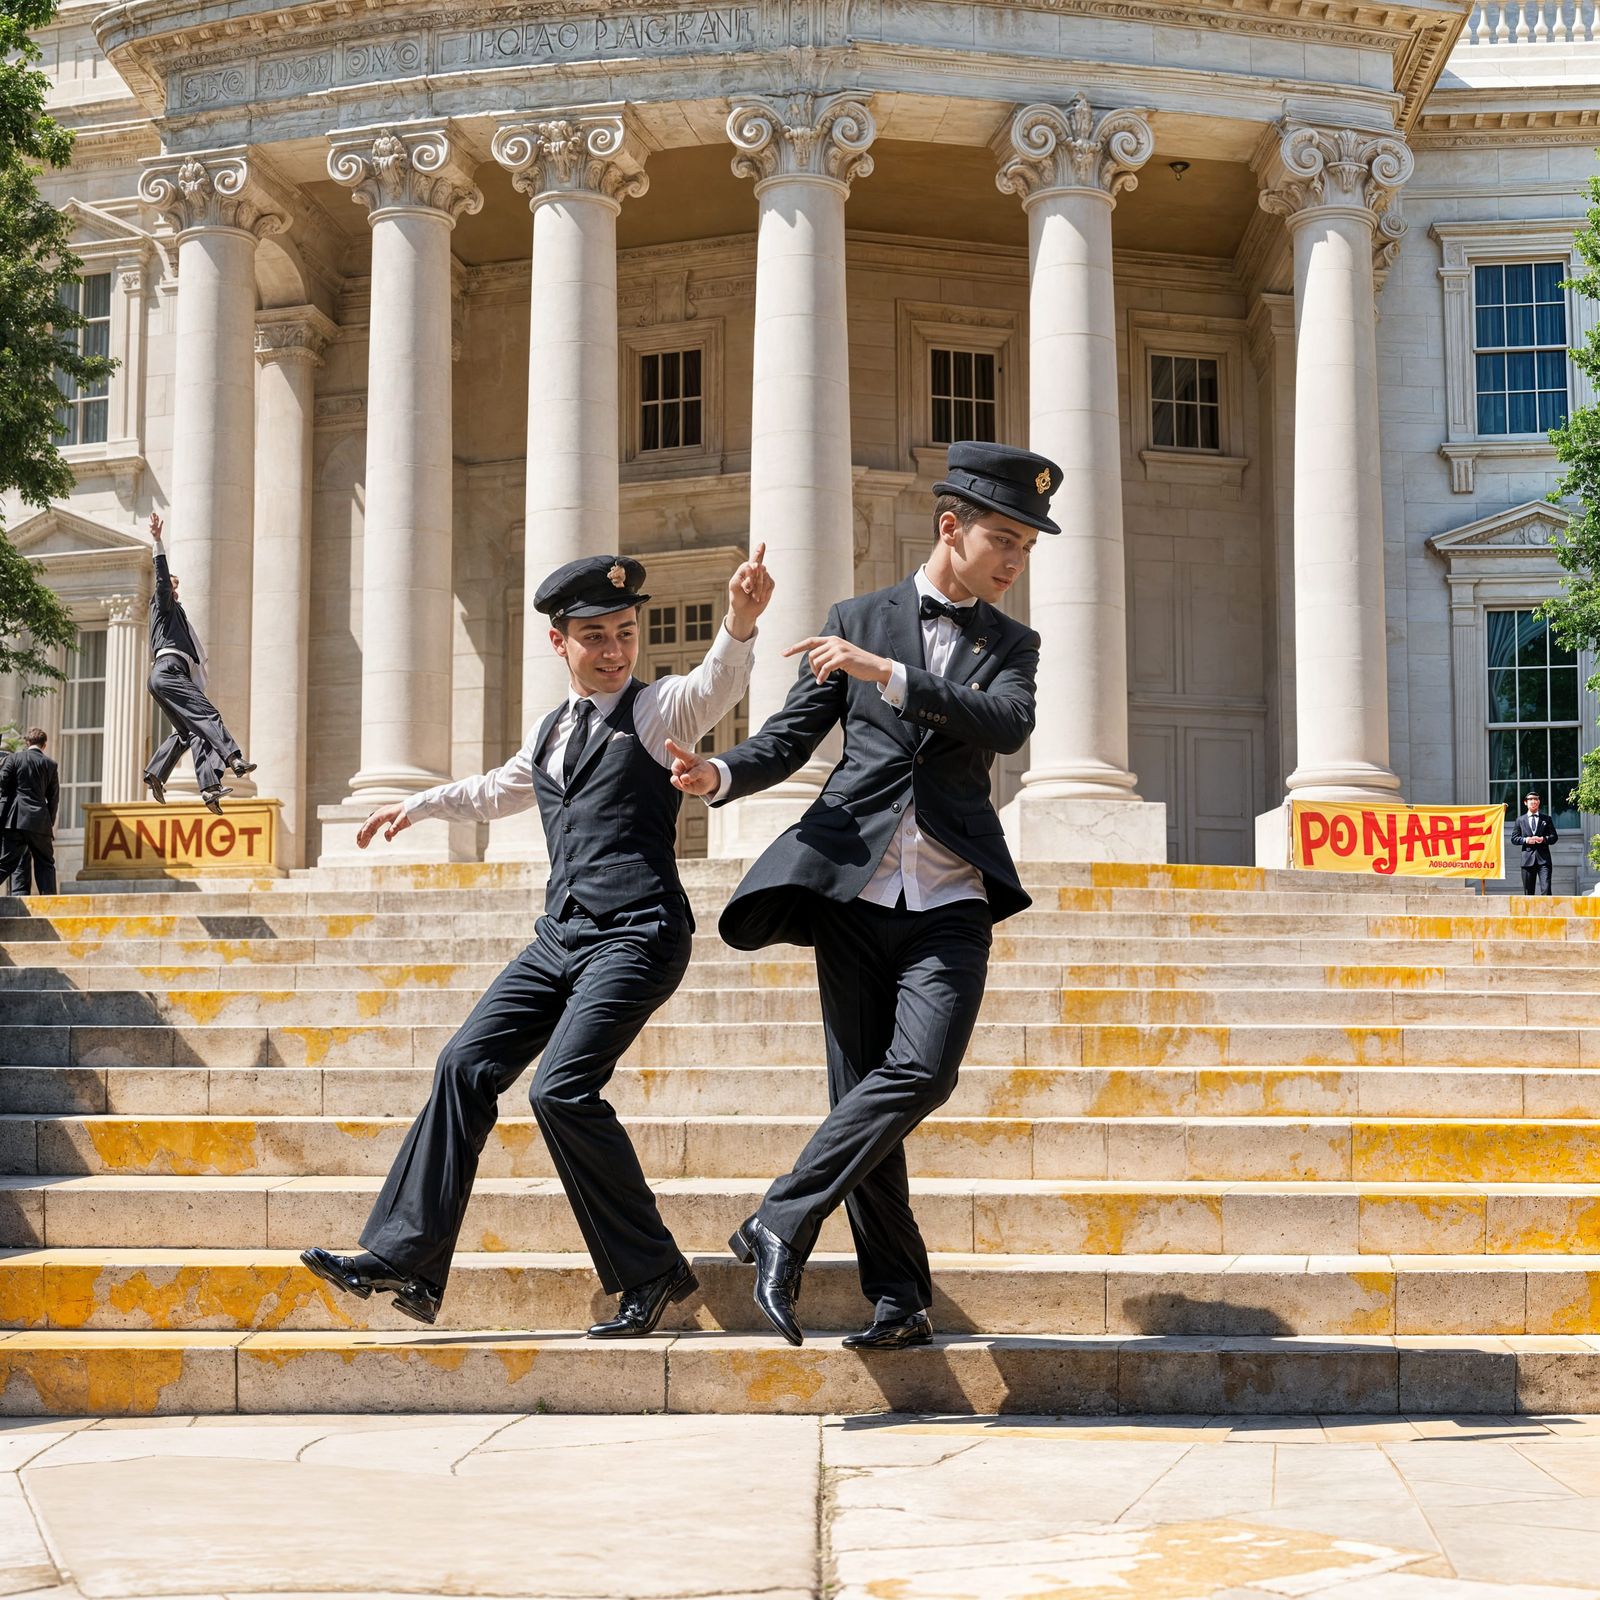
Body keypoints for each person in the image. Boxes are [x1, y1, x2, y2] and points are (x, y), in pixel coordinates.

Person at [302, 546, 774, 1333]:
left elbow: (715, 684)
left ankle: (651, 1273)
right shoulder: (552, 730)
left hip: (639, 933)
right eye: (595, 636)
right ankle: (406, 1257)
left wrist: (741, 623)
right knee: (464, 1064)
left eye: (625, 632)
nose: (615, 649)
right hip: (562, 937)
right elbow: (495, 791)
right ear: (561, 642)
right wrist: (416, 807)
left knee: (560, 1090)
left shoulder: (658, 712)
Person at [669, 441, 1057, 1349]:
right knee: (861, 1097)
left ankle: (780, 1218)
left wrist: (889, 675)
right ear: (950, 527)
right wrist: (717, 773)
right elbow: (790, 739)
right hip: (852, 889)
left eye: (1026, 549)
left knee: (922, 1071)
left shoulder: (1012, 644)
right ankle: (900, 1300)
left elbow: (1006, 723)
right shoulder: (856, 616)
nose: (1013, 560)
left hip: (953, 897)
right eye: (1003, 539)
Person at [141, 511, 254, 815]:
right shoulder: (162, 607)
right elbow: (162, 580)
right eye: (172, 587)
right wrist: (157, 542)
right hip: (169, 670)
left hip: (162, 676)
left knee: (190, 732)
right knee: (209, 716)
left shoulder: (176, 617)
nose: (175, 590)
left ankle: (190, 783)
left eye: (176, 587)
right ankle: (234, 759)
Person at [0, 728, 60, 896]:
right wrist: (49, 825)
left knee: (5, 864)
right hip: (39, 822)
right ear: (44, 745)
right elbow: (53, 798)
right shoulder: (50, 764)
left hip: (15, 819)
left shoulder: (14, 759)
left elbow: (2, 784)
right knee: (45, 863)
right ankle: (50, 904)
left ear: (27, 743)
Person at [1512, 790, 1558, 895]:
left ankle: (1547, 912)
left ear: (1539, 802)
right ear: (1525, 802)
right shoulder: (1520, 820)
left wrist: (1543, 839)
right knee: (1528, 893)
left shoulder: (1546, 819)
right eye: (1531, 799)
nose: (1533, 801)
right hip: (1527, 860)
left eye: (1536, 799)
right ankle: (1530, 912)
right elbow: (1514, 838)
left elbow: (1554, 837)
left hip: (1544, 860)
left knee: (1546, 890)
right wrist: (1526, 840)